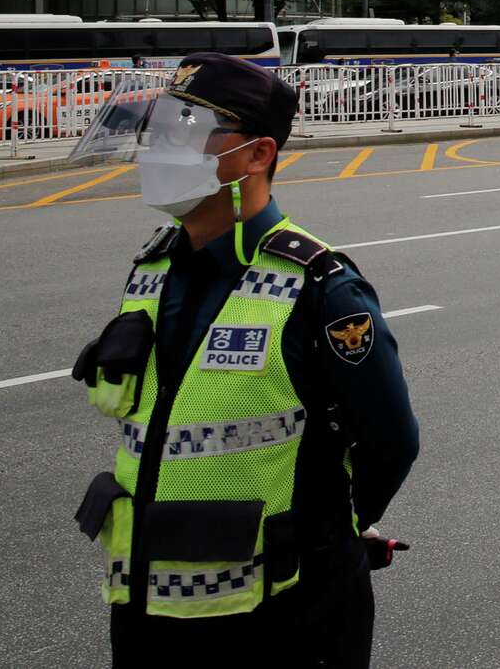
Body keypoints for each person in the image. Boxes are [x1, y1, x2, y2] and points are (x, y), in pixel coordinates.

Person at [66, 53, 419, 669]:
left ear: (257, 155)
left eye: (188, 133)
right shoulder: (151, 272)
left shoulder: (320, 286)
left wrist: (333, 532)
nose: (161, 150)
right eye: (161, 130)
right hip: (148, 605)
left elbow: (390, 439)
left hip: (282, 613)